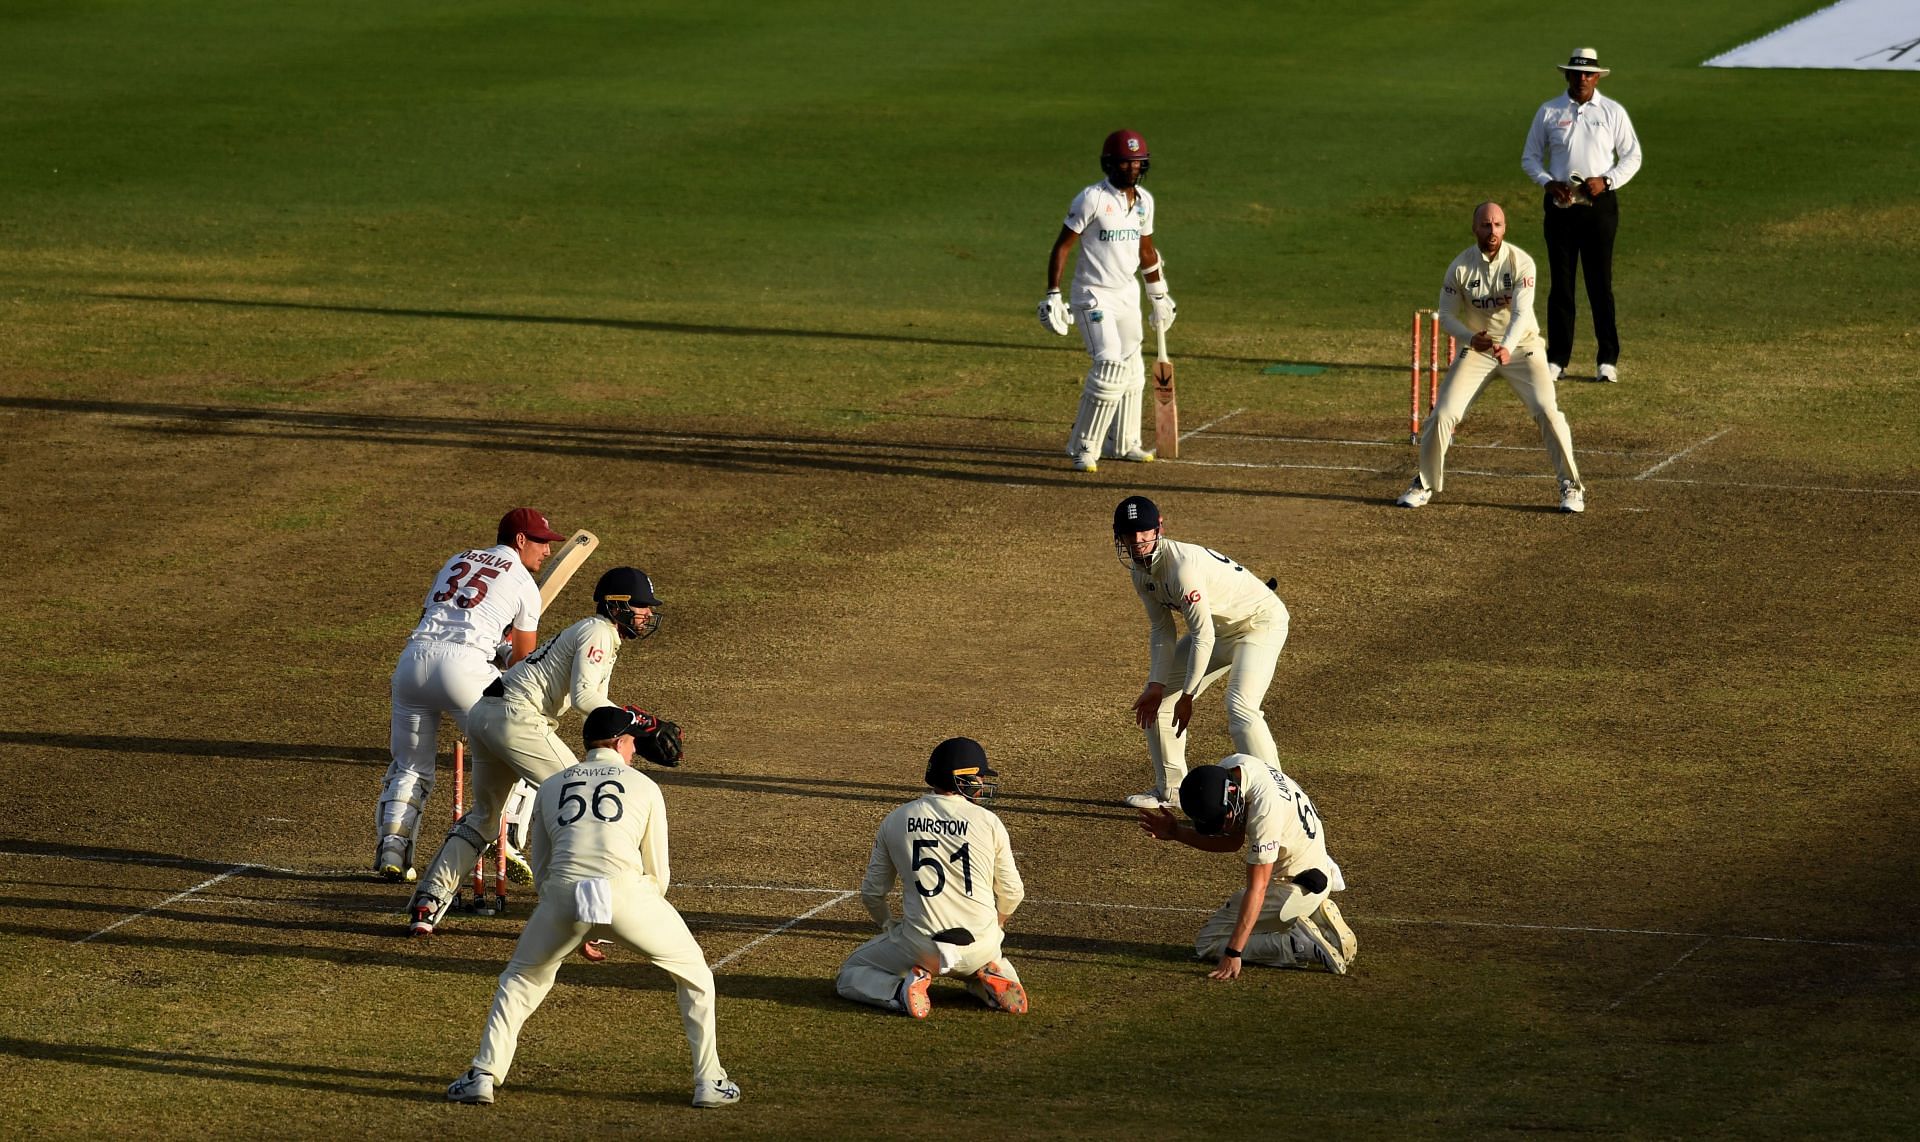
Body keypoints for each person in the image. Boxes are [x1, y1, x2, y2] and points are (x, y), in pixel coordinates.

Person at [445, 704, 739, 1109]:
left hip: (563, 896)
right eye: (632, 741)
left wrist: (583, 919)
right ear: (619, 743)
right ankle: (710, 1081)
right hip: (627, 894)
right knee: (695, 976)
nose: (635, 748)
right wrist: (611, 915)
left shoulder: (551, 785)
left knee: (519, 981)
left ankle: (482, 1075)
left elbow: (543, 870)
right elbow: (660, 875)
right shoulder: (643, 786)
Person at [408, 566, 681, 935]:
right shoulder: (597, 630)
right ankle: (585, 912)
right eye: (641, 606)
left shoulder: (598, 633)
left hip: (486, 715)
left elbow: (594, 702)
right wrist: (641, 722)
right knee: (585, 798)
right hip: (517, 716)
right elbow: (587, 698)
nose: (647, 614)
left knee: (485, 819)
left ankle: (429, 901)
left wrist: (632, 724)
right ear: (616, 606)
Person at [376, 507, 564, 883]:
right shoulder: (524, 583)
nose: (547, 552)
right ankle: (506, 839)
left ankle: (392, 853)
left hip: (414, 661)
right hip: (464, 669)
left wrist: (496, 645)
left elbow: (439, 616)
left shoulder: (457, 559)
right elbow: (524, 661)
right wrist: (504, 650)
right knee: (518, 744)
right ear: (521, 540)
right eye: (542, 543)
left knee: (410, 764)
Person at [1396, 203, 1586, 514]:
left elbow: (1523, 313)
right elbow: (1445, 315)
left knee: (1547, 411)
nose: (1492, 231)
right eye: (1486, 225)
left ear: (1505, 228)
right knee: (1442, 415)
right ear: (1475, 229)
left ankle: (1571, 486)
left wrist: (1508, 346)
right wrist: (1471, 338)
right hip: (1478, 350)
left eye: (1497, 224)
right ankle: (1424, 482)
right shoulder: (1460, 267)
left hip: (1522, 348)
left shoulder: (1521, 262)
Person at [1112, 495, 1289, 811]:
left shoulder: (1181, 569)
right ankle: (1171, 791)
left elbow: (1202, 636)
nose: (1138, 541)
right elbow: (1163, 631)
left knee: (1240, 706)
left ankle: (1278, 797)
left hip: (1259, 624)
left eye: (1144, 532)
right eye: (1130, 534)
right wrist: (1156, 685)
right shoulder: (1140, 573)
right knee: (1160, 699)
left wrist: (1188, 696)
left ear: (1159, 528)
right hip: (1219, 631)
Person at [836, 737, 1028, 1019]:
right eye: (977, 776)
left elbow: (872, 894)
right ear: (958, 778)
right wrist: (997, 925)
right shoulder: (988, 821)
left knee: (849, 973)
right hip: (980, 944)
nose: (981, 783)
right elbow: (1013, 892)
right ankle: (988, 983)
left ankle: (901, 990)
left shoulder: (896, 819)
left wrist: (888, 925)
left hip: (920, 947)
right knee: (988, 958)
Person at [1138, 759, 1357, 979]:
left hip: (1295, 889)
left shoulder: (1264, 813)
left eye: (1224, 820)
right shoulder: (1236, 769)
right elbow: (1232, 843)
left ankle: (1297, 944)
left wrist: (1233, 952)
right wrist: (1177, 833)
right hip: (1314, 873)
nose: (1225, 826)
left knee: (1209, 942)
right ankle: (1317, 917)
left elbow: (1258, 889)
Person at [1039, 129, 1177, 472]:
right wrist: (1053, 294)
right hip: (1092, 294)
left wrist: (1158, 294)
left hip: (1127, 294)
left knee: (1132, 368)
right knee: (1109, 365)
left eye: (1136, 162)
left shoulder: (1145, 201)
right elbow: (1063, 246)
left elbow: (1146, 251)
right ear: (1110, 164)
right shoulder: (1091, 199)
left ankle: (1124, 442)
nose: (1131, 168)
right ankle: (1083, 446)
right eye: (1124, 162)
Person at [1521, 46, 1643, 383]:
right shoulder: (1549, 111)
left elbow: (1632, 156)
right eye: (1576, 74)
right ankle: (1557, 359)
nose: (1582, 80)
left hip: (1599, 208)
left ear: (1596, 77)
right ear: (1568, 76)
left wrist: (1606, 181)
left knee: (1599, 284)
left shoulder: (1611, 111)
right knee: (1561, 285)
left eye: (1588, 74)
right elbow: (1530, 157)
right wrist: (1548, 183)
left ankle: (1607, 360)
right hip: (1561, 206)